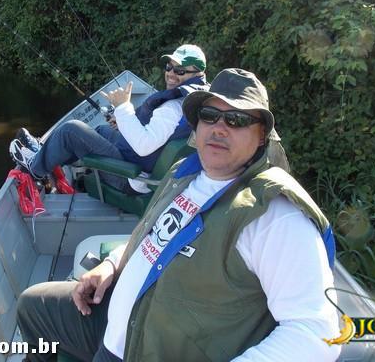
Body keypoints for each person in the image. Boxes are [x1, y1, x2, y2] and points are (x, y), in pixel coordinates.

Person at [17, 68, 341, 362]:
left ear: (262, 136)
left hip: (148, 350)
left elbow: (317, 333)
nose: (219, 128)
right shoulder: (185, 173)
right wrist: (113, 264)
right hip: (114, 321)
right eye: (210, 115)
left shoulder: (275, 216)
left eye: (237, 119)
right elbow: (155, 235)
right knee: (33, 307)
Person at [9, 44, 209, 194]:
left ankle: (35, 168)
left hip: (131, 176)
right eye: (169, 67)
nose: (171, 74)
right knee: (102, 131)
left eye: (180, 70)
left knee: (71, 130)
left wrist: (123, 107)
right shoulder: (194, 101)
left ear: (198, 73)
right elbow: (156, 135)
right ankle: (47, 156)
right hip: (141, 164)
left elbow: (144, 146)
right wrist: (123, 121)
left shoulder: (173, 108)